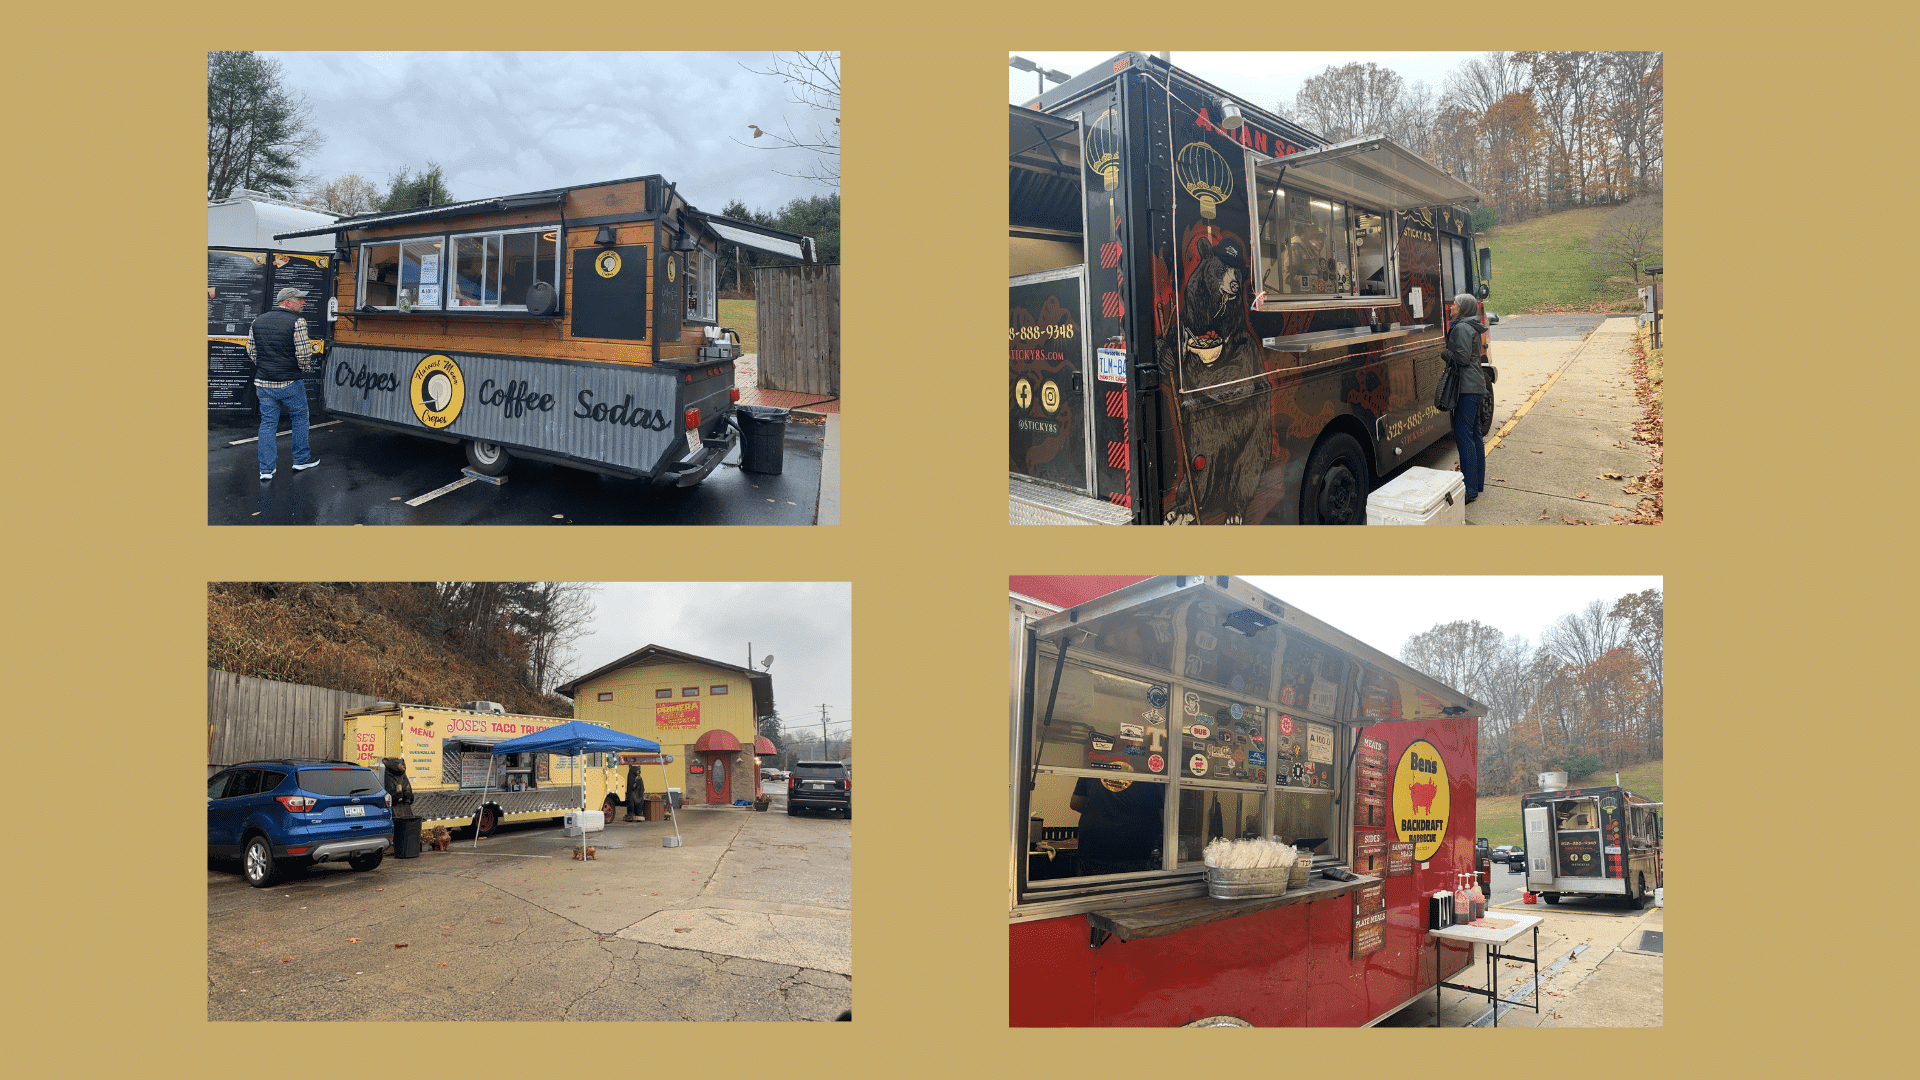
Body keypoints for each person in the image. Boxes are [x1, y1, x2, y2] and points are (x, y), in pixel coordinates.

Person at [246, 286, 321, 480]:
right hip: (289, 382)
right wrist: (302, 370)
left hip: (263, 382)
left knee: (268, 423)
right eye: (300, 299)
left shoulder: (257, 321)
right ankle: (301, 460)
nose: (303, 302)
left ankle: (266, 470)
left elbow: (251, 352)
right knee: (300, 417)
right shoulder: (298, 322)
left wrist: (266, 366)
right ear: (287, 302)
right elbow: (304, 354)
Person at [1070, 774, 1165, 876]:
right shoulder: (1151, 770)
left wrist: (1101, 810)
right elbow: (1166, 813)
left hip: (1093, 849)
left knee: (1093, 890)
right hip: (1135, 852)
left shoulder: (1094, 762)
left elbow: (1076, 803)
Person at [1445, 293, 1490, 503]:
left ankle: (1469, 489)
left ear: (1462, 309)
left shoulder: (1462, 328)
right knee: (1474, 435)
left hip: (1467, 388)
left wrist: (1445, 353)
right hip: (1475, 386)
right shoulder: (1471, 326)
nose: (1451, 306)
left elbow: (1461, 358)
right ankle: (1477, 483)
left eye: (1455, 304)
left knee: (1464, 436)